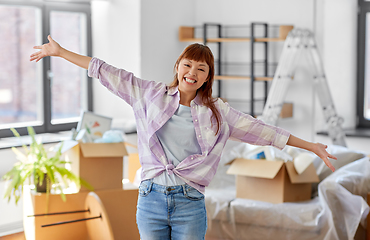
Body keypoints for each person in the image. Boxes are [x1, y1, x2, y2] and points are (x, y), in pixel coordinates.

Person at [30, 35, 337, 240]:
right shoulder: (150, 95)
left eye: (201, 68)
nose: (192, 71)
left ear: (207, 76)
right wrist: (59, 52)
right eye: (187, 64)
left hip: (190, 202)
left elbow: (264, 132)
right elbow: (107, 72)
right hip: (150, 199)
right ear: (177, 67)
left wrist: (311, 146)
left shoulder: (218, 112)